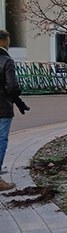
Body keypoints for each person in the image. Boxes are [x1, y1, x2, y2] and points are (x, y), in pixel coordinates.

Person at [0, 30, 23, 191]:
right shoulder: (6, 61)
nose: (9, 43)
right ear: (3, 41)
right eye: (8, 40)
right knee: (1, 142)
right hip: (2, 108)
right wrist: (18, 98)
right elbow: (12, 86)